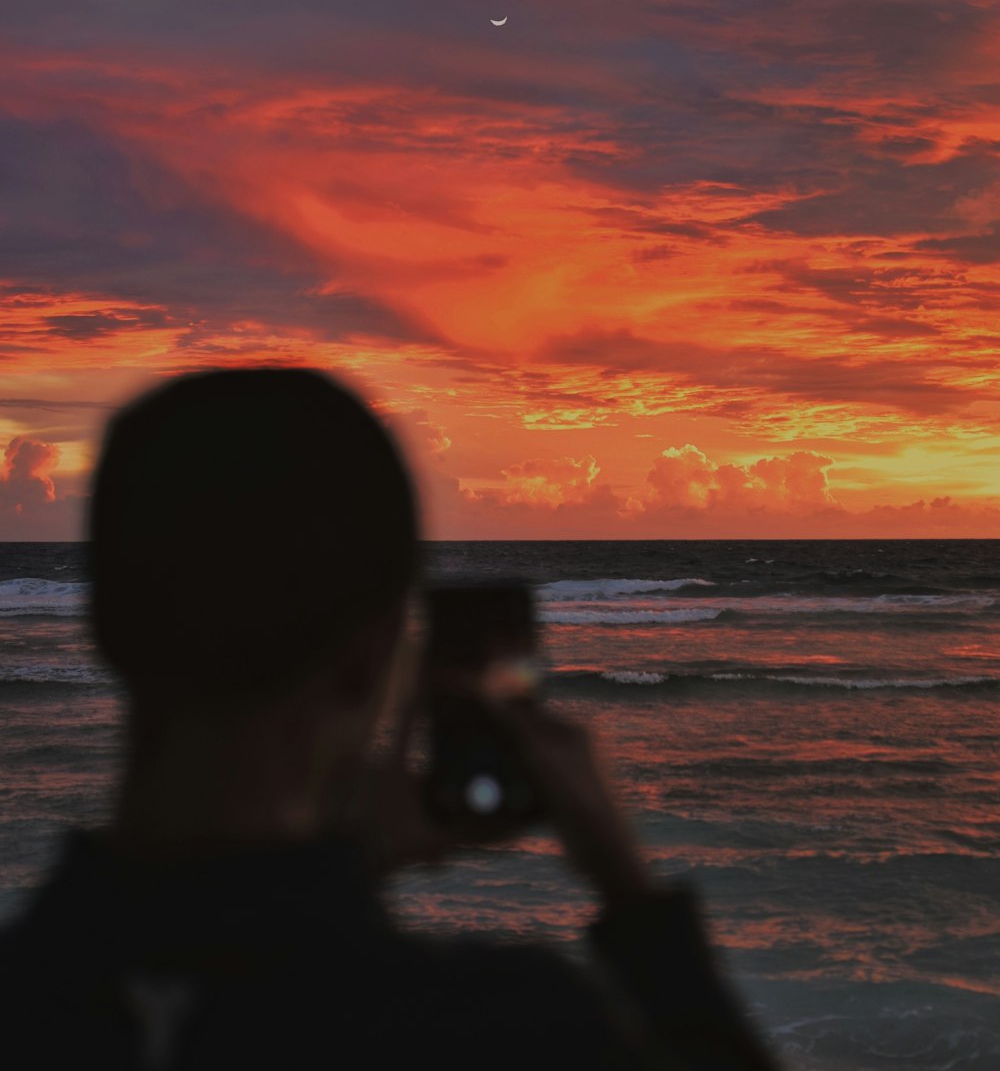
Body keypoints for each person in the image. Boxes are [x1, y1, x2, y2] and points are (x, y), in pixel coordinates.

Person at [0, 368, 780, 1070]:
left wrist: (342, 866)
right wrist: (628, 890)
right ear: (374, 657)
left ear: (102, 624)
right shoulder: (503, 1030)